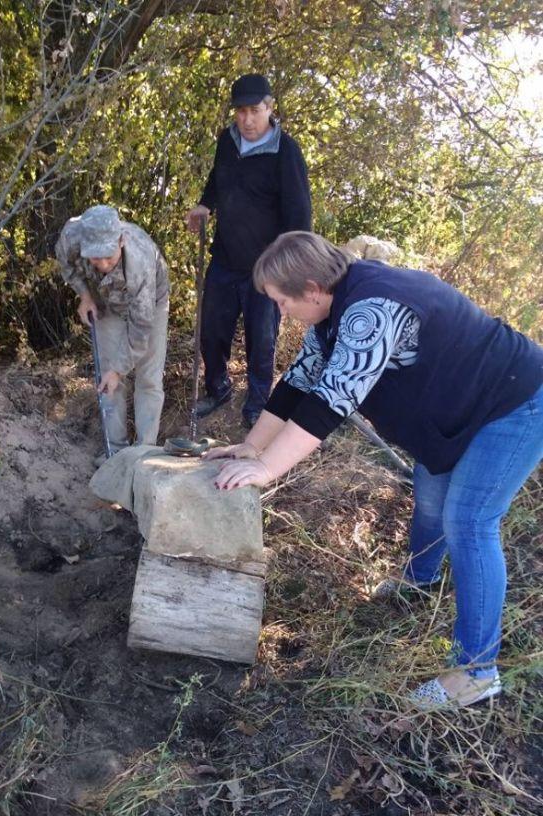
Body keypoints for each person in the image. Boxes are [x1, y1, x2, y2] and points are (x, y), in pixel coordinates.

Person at [206, 231, 543, 709]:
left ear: (312, 288)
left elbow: (331, 402)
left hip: (515, 403)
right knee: (430, 501)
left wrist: (266, 468)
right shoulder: (332, 310)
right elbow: (296, 386)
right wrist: (249, 447)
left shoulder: (372, 309)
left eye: (282, 302)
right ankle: (419, 582)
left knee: (468, 522)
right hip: (456, 412)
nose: (280, 312)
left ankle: (476, 671)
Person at [185, 74, 312, 429]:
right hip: (225, 258)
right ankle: (218, 389)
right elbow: (217, 176)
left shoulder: (286, 152)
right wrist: (205, 204)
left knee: (262, 340)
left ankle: (257, 404)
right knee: (212, 331)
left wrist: (291, 269)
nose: (247, 119)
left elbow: (300, 216)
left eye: (255, 110)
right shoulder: (228, 141)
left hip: (266, 269)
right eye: (241, 111)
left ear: (270, 108)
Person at [55, 205, 170, 456]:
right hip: (105, 300)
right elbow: (68, 266)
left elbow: (140, 330)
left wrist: (120, 369)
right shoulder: (71, 238)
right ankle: (115, 453)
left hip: (150, 305)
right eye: (95, 258)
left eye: (109, 255)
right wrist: (85, 295)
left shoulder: (140, 263)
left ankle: (144, 453)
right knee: (107, 379)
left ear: (121, 240)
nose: (104, 264)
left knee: (148, 377)